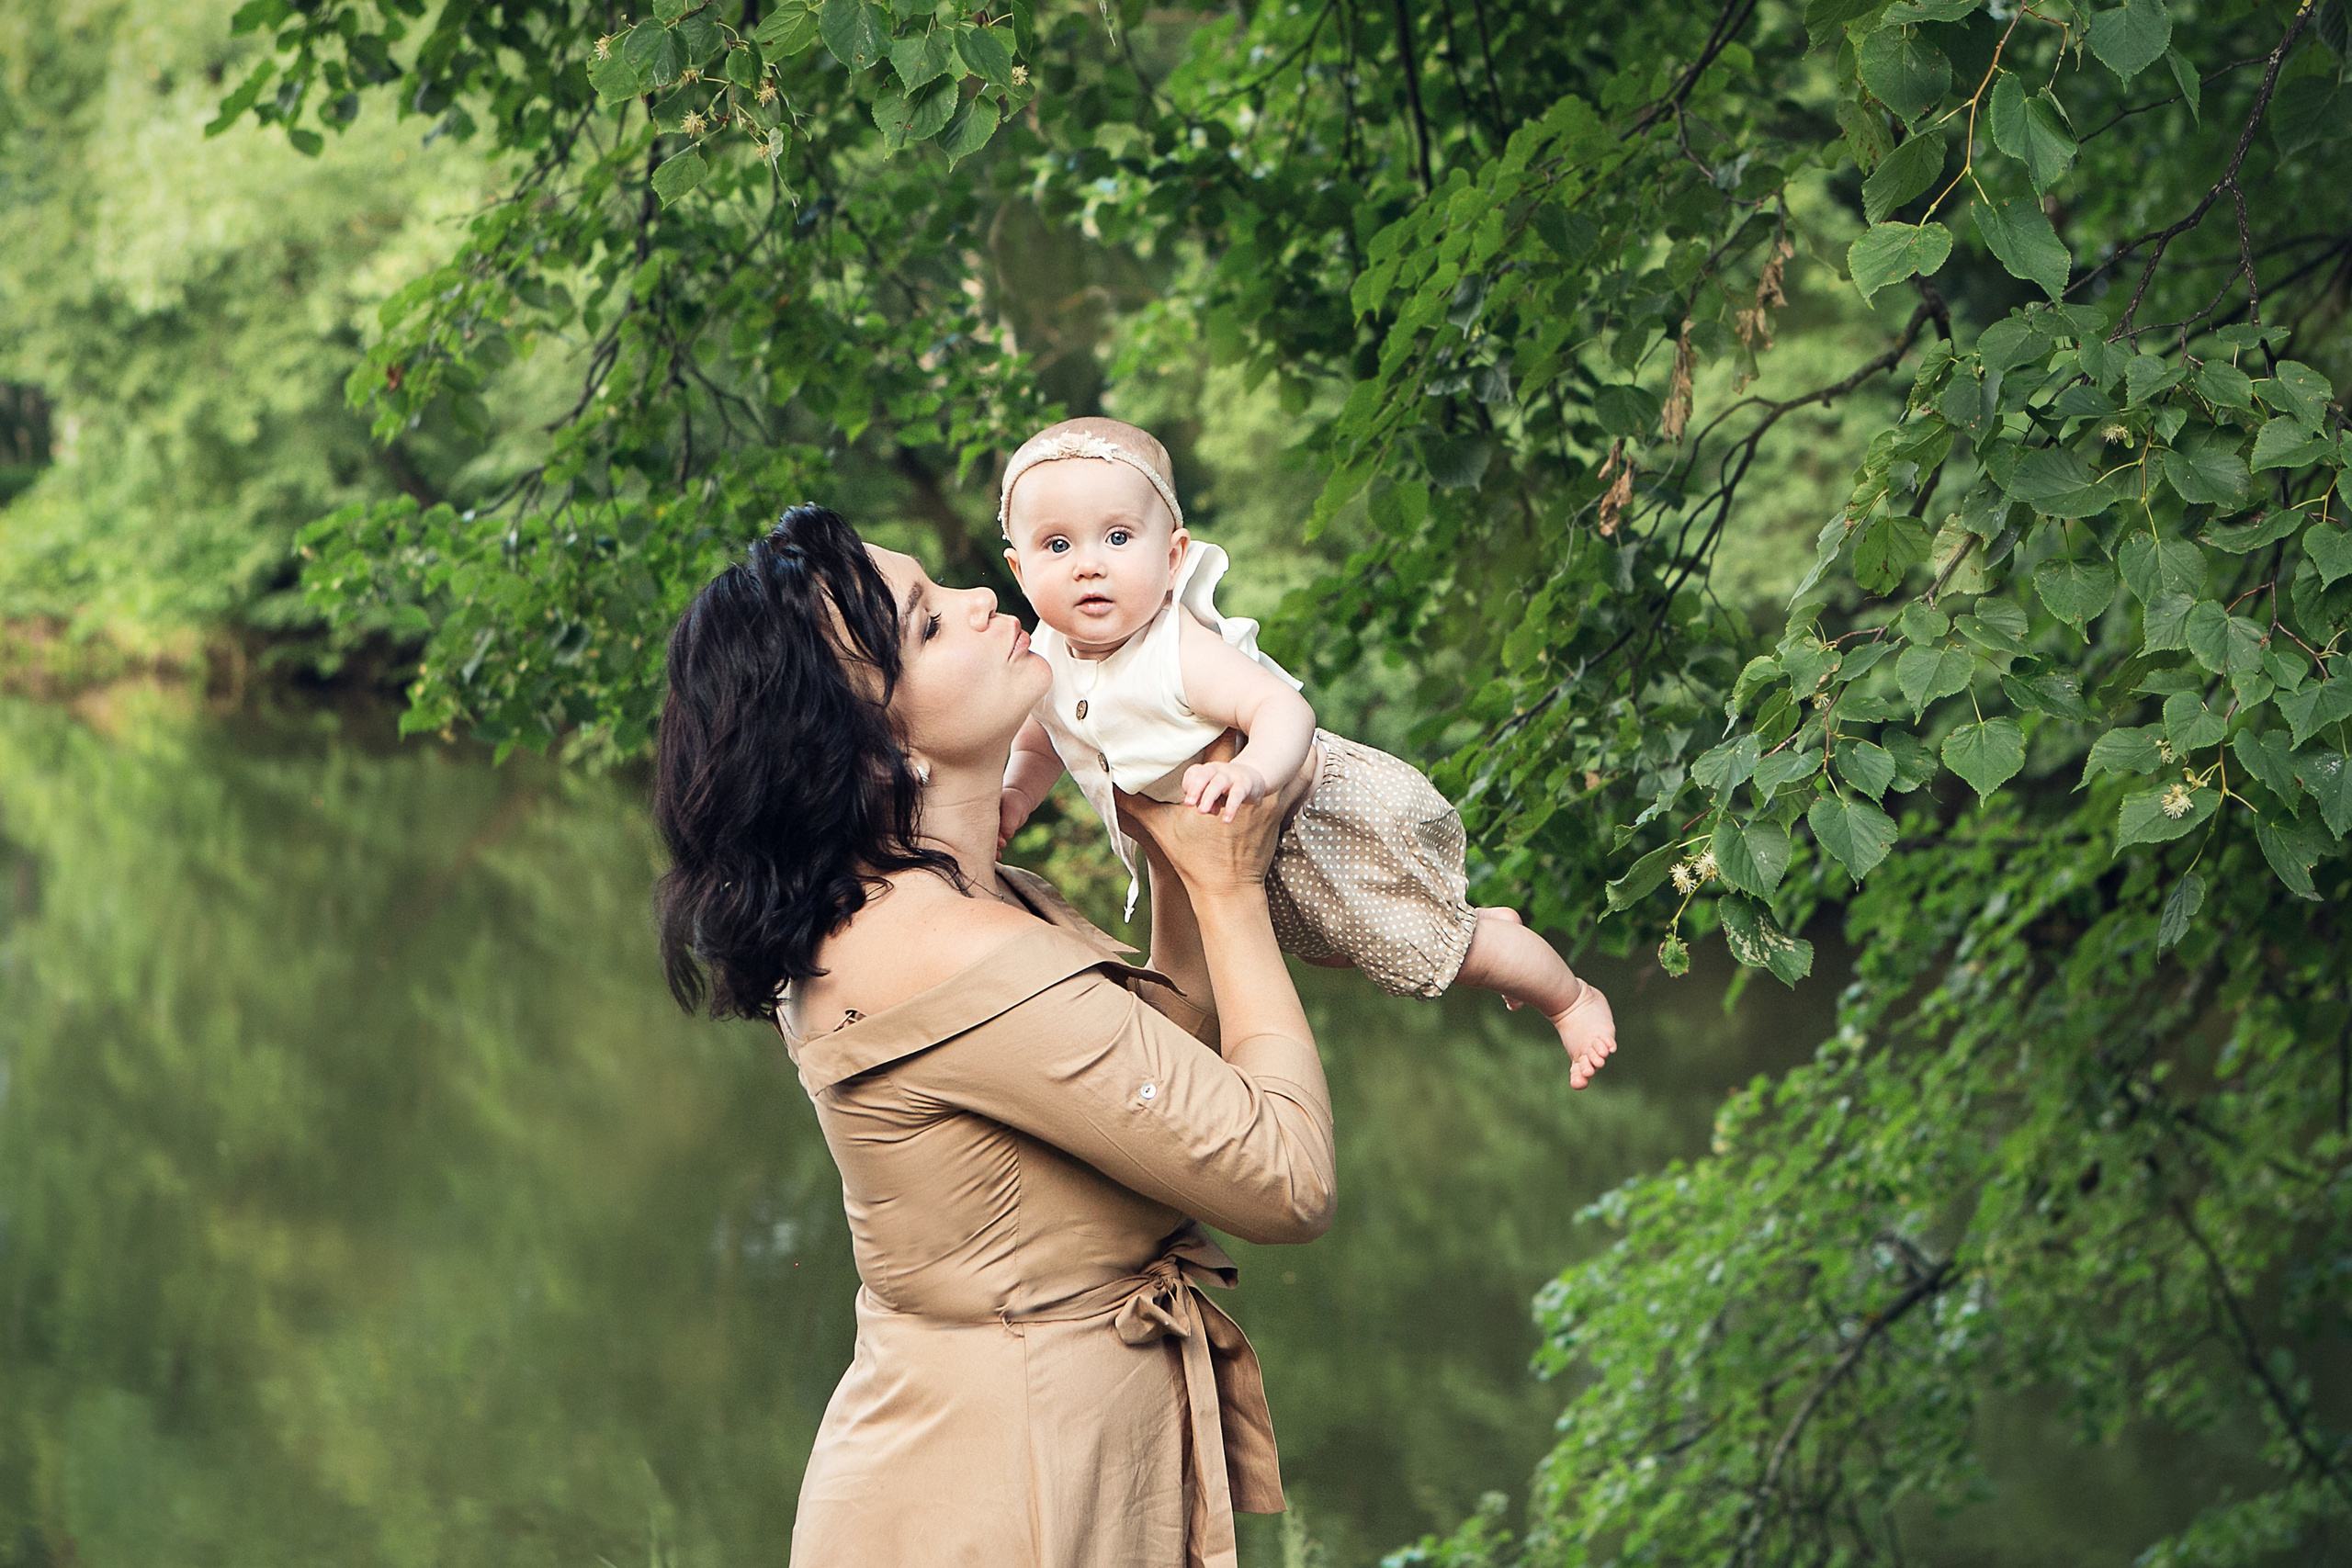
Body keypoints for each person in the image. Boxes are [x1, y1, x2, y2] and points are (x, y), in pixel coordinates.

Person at [651, 502, 1336, 1568]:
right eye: (926, 625)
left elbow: (1165, 1086)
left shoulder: (956, 903)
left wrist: (1170, 852)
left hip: (1032, 1451)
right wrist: (1231, 891)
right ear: (869, 748)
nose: (983, 600)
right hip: (1002, 1492)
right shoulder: (943, 952)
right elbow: (1283, 1177)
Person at [995, 417, 1620, 1087]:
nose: (1089, 563)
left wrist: (1251, 770)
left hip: (1311, 815)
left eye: (1118, 537)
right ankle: (1467, 917)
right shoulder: (1049, 657)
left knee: (1424, 948)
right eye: (1056, 544)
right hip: (1236, 850)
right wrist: (1014, 798)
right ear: (1018, 567)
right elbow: (1044, 736)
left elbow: (1283, 708)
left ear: (1173, 555)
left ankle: (1570, 996)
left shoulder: (1177, 650)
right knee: (1336, 951)